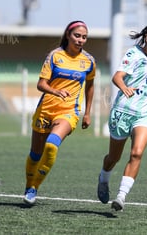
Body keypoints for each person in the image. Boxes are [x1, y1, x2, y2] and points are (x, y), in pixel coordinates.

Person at [97, 23, 147, 211]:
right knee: (114, 157)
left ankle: (121, 197)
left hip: (145, 114)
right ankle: (104, 178)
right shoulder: (134, 54)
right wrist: (124, 87)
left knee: (137, 153)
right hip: (123, 112)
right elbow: (117, 76)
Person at [23, 20, 96, 205]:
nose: (80, 40)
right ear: (68, 35)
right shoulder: (54, 56)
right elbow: (41, 84)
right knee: (35, 154)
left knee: (51, 146)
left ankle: (34, 188)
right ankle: (28, 184)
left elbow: (90, 86)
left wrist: (87, 113)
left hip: (69, 111)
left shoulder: (88, 61)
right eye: (77, 36)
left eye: (84, 37)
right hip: (45, 110)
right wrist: (55, 91)